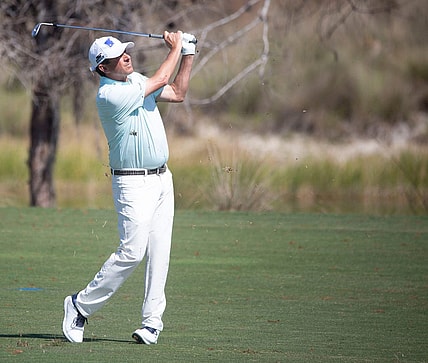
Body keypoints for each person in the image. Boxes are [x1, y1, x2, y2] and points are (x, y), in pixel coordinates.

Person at [62, 30, 196, 344]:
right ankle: (79, 305)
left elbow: (176, 92)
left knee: (160, 251)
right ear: (102, 69)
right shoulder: (109, 96)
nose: (125, 57)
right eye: (115, 58)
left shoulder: (135, 81)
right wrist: (176, 47)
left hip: (162, 179)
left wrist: (188, 53)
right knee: (132, 252)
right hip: (132, 183)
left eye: (124, 52)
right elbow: (163, 78)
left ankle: (152, 322)